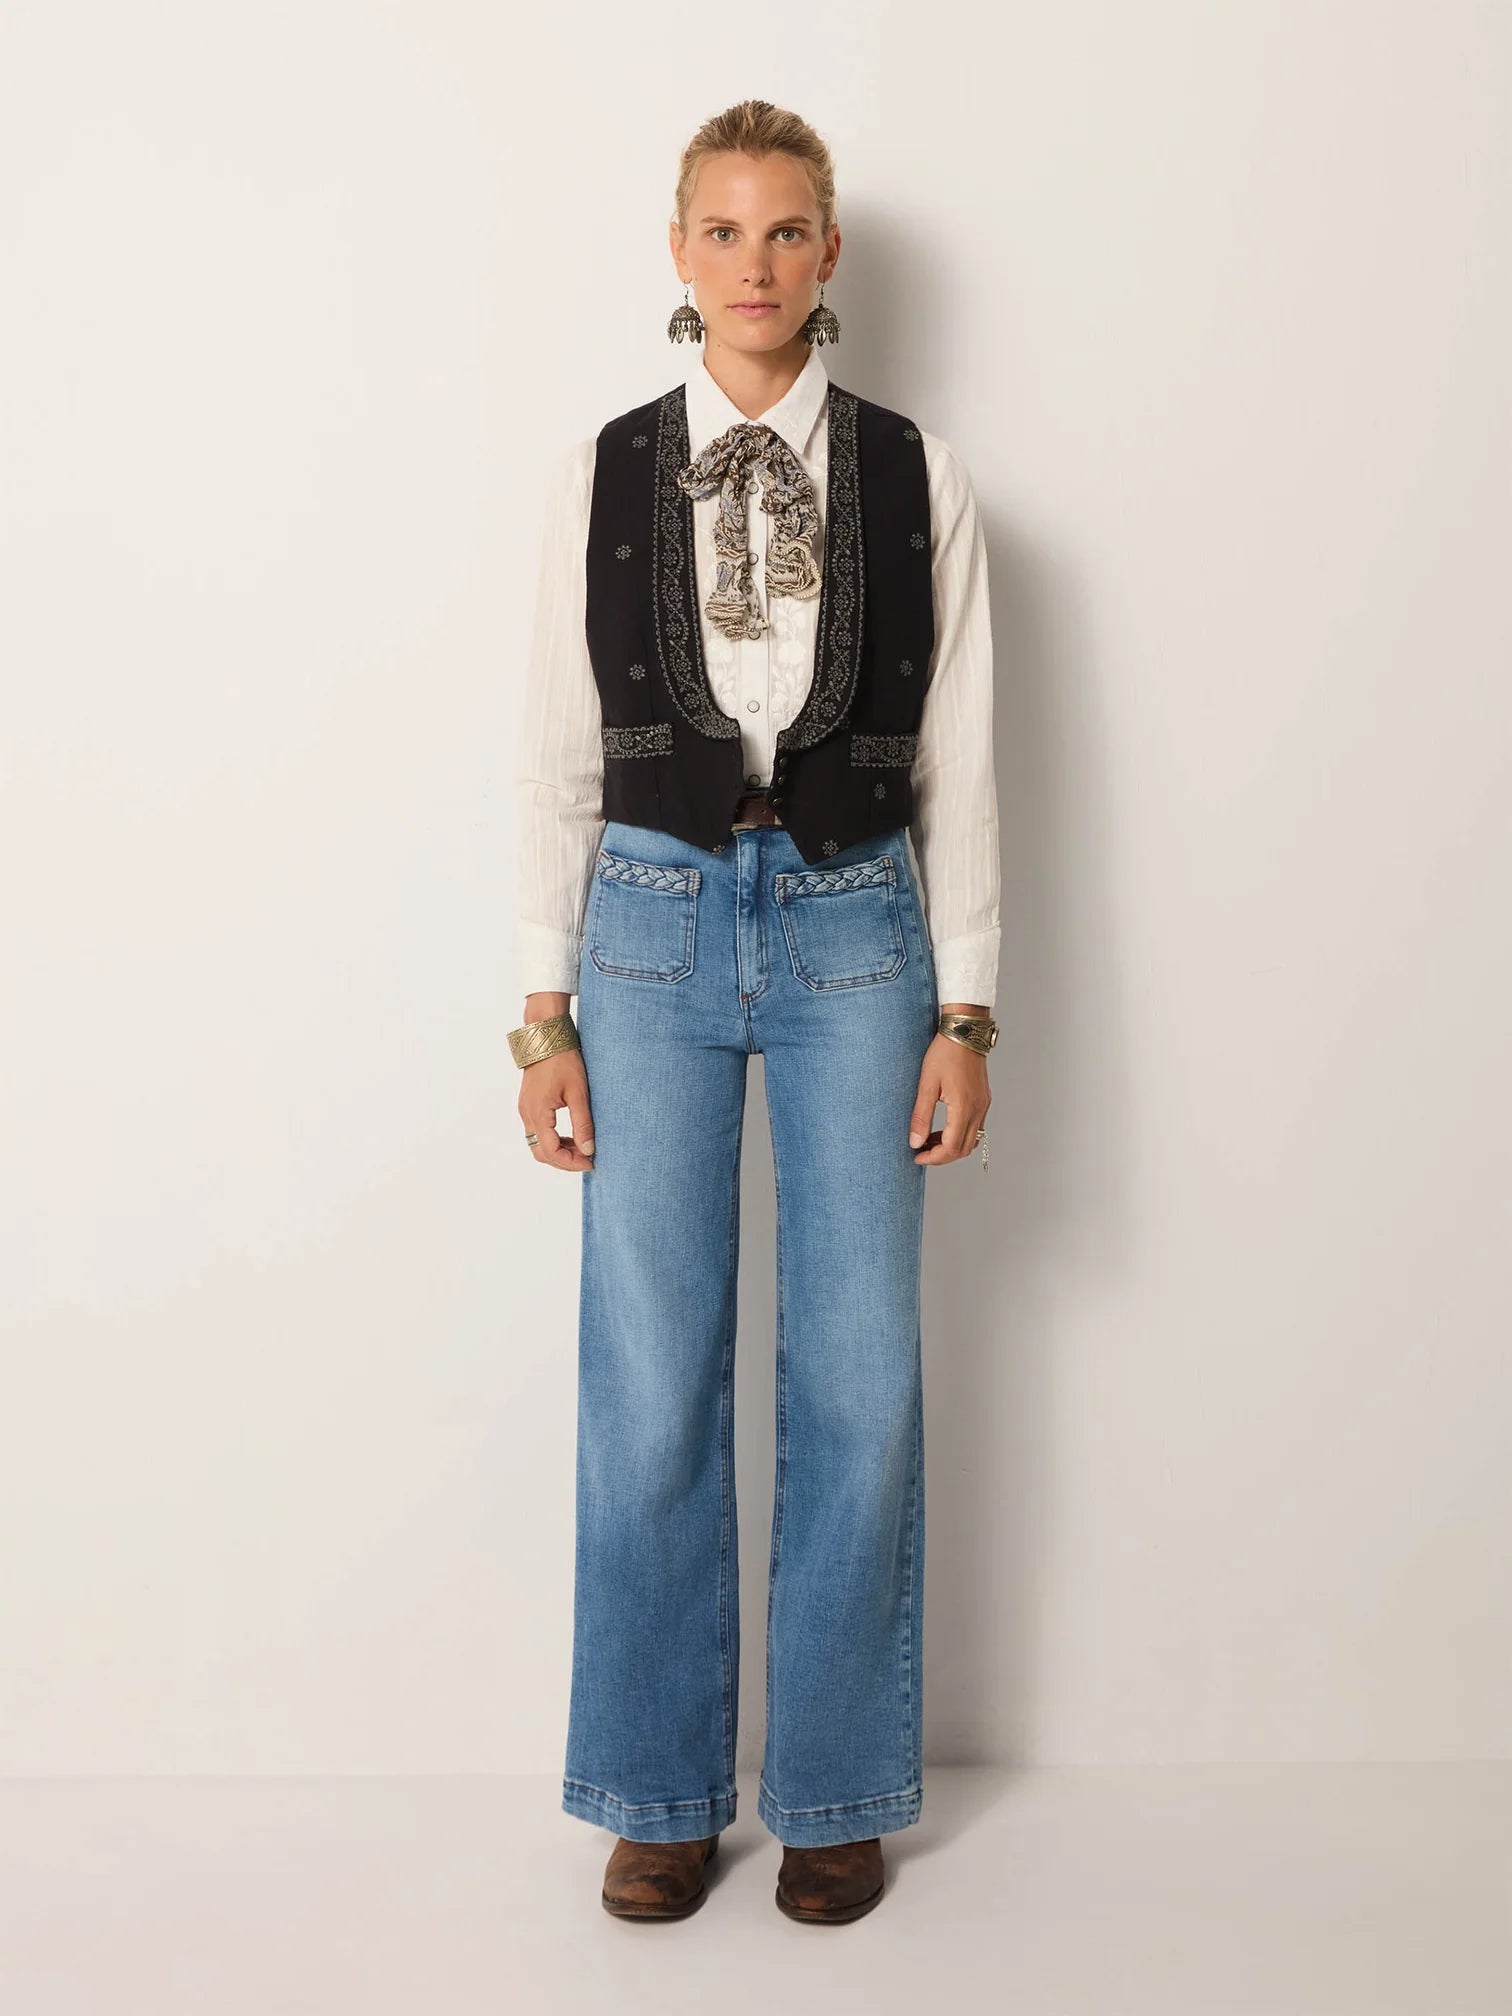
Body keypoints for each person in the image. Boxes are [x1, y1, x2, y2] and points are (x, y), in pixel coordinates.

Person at [509, 98, 1000, 1924]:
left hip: (859, 928)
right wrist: (541, 1014)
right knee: (650, 1378)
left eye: (786, 230)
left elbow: (965, 762)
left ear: (830, 253)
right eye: (722, 231)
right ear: (677, 252)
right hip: (645, 929)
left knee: (859, 1373)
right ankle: (655, 1790)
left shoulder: (918, 474)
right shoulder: (602, 472)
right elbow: (556, 755)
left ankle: (836, 1792)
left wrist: (973, 1010)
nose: (755, 263)